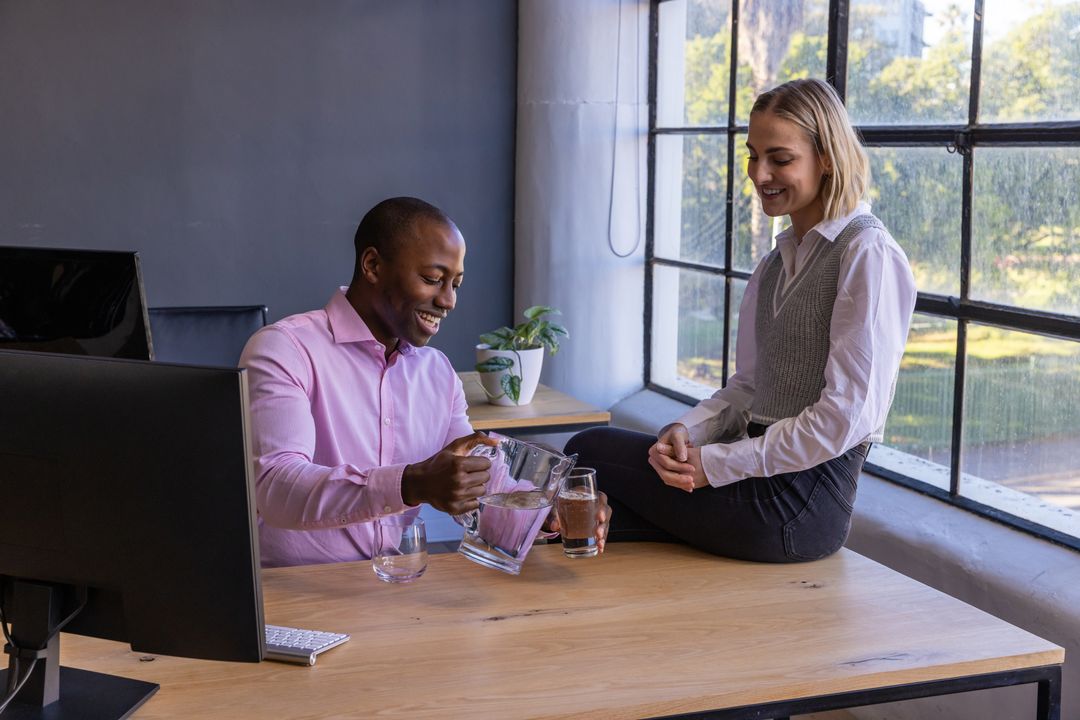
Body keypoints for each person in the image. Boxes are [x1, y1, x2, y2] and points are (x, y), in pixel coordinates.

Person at [566, 78, 916, 563]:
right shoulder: (775, 264)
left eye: (780, 157)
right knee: (603, 509)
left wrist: (716, 464)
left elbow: (846, 419)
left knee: (590, 450)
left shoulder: (867, 253)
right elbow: (750, 388)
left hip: (799, 507)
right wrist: (689, 433)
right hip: (755, 480)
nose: (759, 173)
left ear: (828, 159)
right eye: (753, 155)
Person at [241, 197, 608, 567]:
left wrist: (543, 509)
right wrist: (410, 484)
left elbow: (473, 483)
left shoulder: (437, 373)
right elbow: (276, 488)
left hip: (397, 584)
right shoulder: (285, 349)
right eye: (433, 279)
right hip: (295, 591)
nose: (448, 300)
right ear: (372, 265)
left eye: (456, 284)